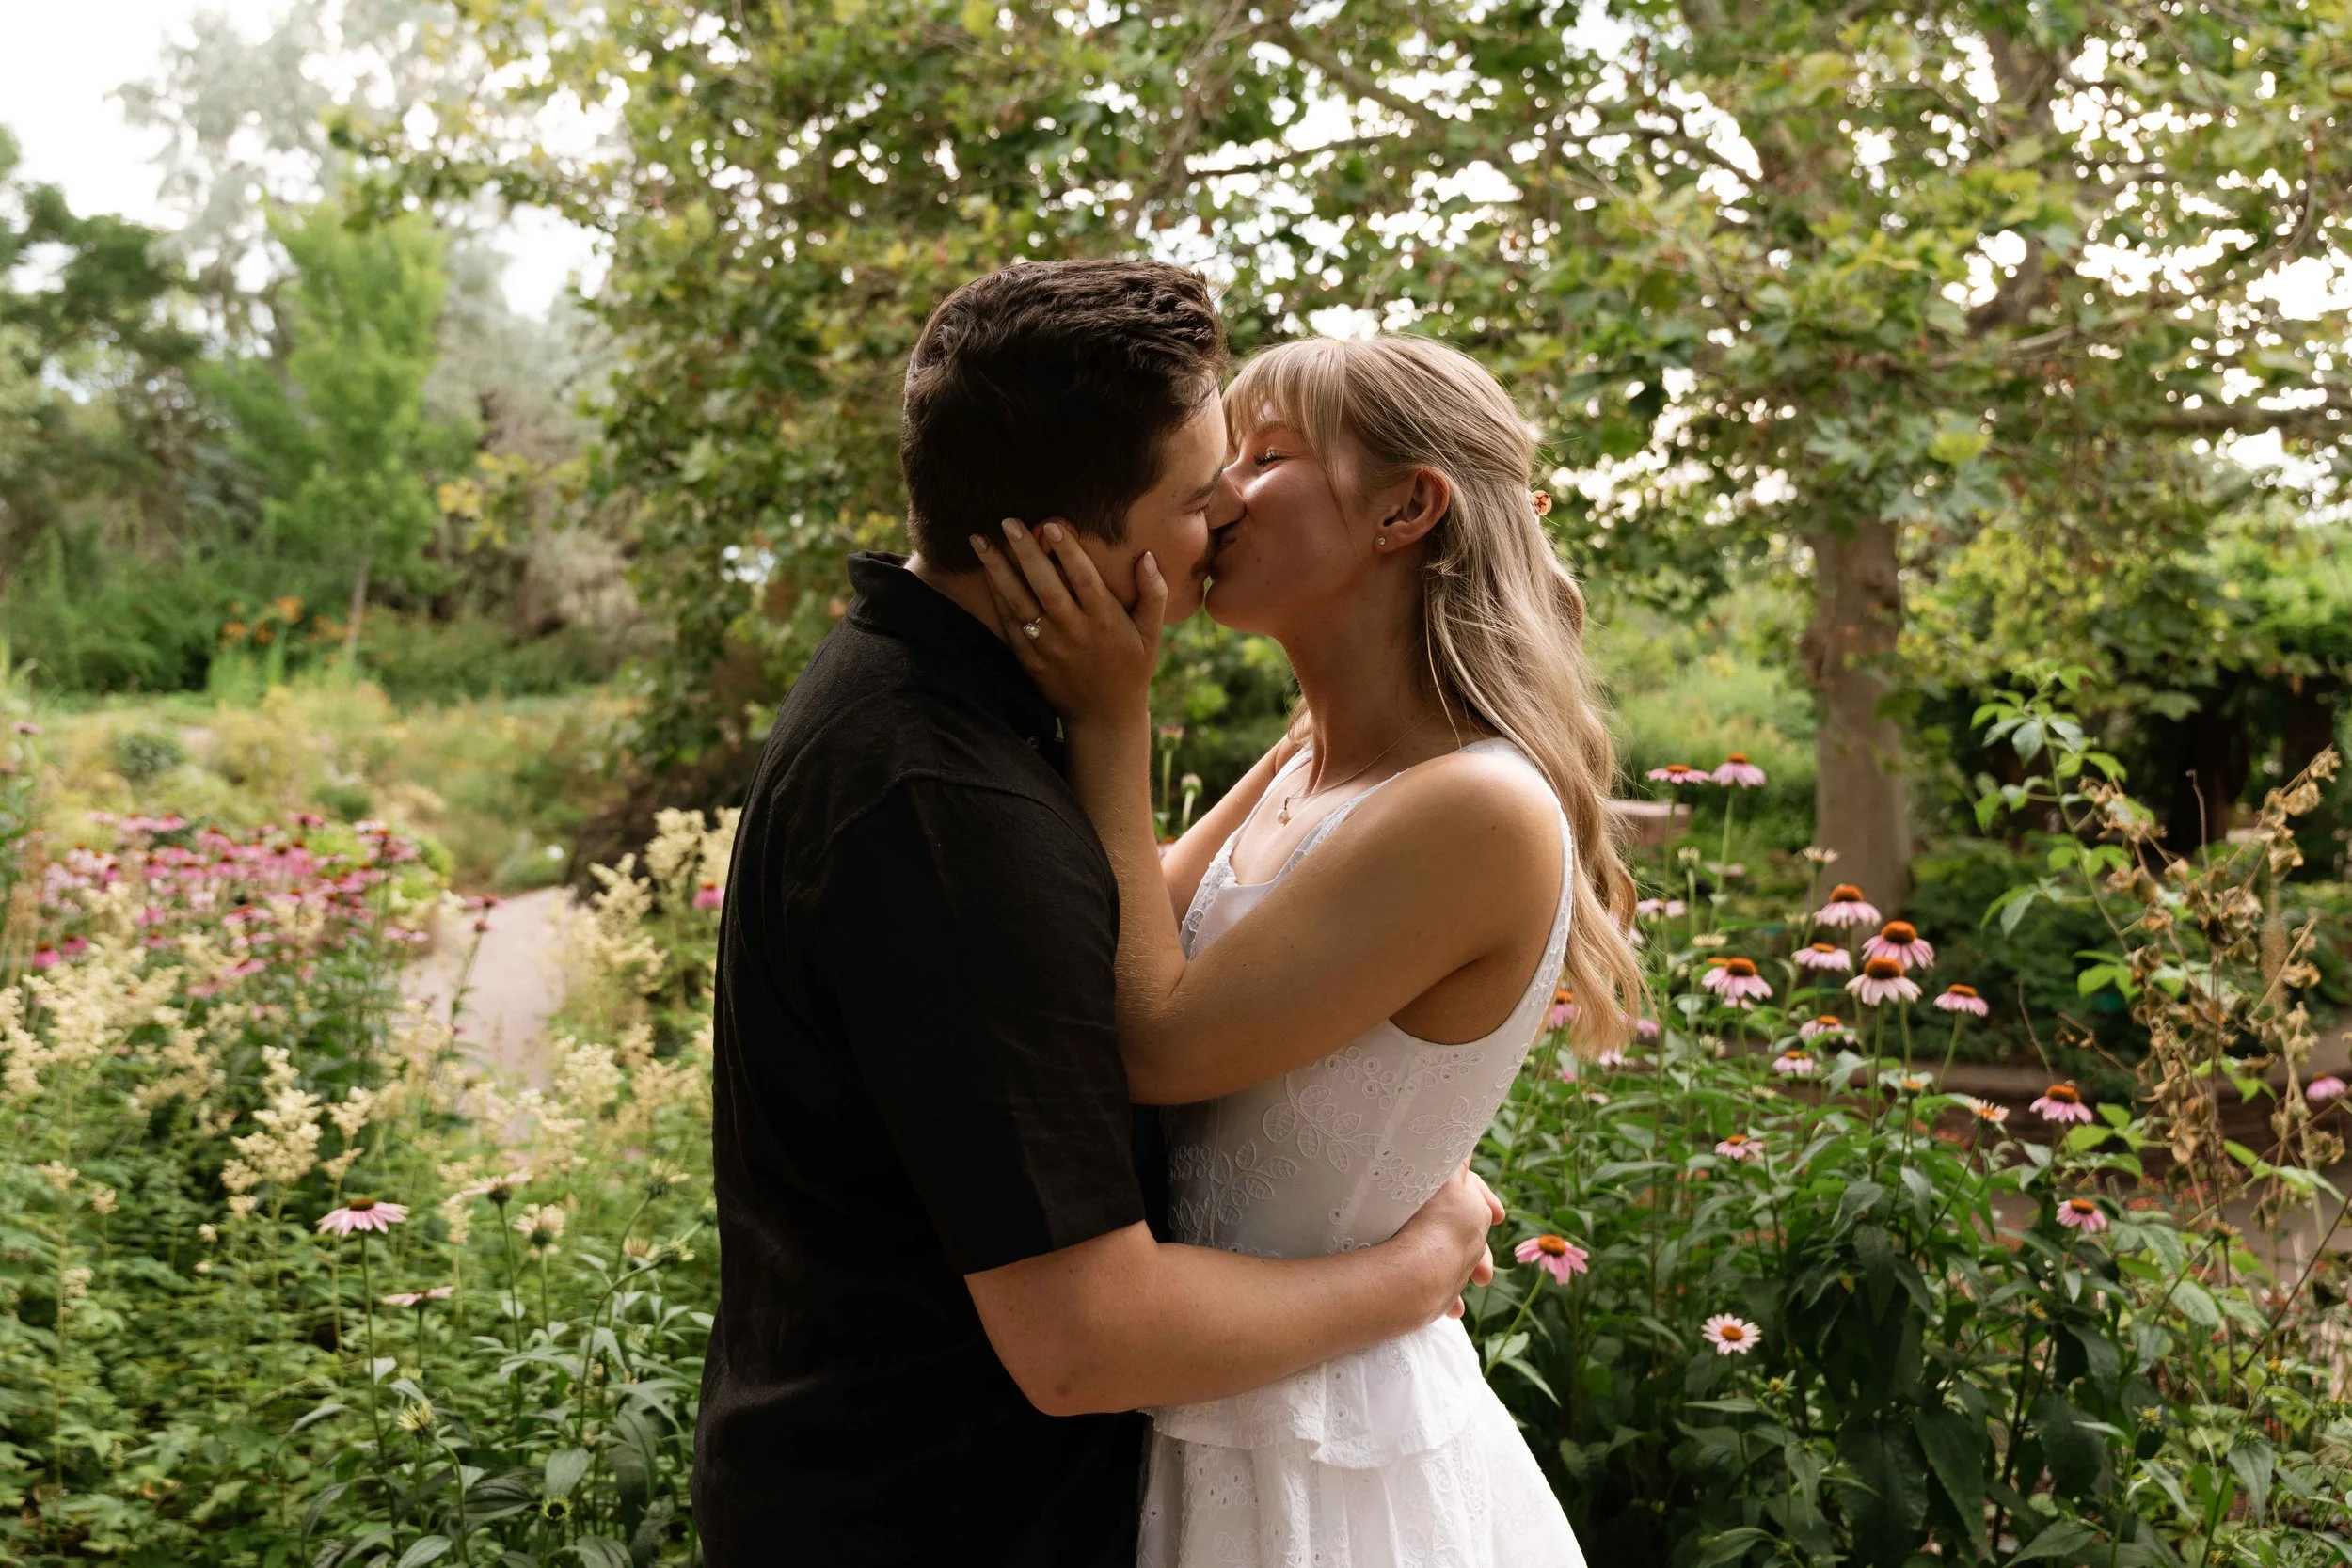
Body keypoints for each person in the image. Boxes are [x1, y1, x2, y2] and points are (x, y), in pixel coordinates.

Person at [692, 261, 1507, 1568]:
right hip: (929, 1523)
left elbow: (1122, 928)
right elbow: (1083, 1339)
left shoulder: (932, 708)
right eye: (1199, 493)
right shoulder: (944, 806)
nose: (1225, 513)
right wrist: (1414, 1275)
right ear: (1062, 545)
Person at [973, 332, 1645, 1567]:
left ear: (1405, 509)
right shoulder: (1307, 761)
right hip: (1201, 1400)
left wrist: (1113, 718)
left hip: (1327, 1464)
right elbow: (1115, 938)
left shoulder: (1474, 805)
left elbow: (1155, 1041)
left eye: (1266, 456)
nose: (1216, 494)